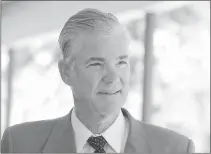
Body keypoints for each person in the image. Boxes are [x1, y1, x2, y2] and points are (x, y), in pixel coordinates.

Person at [1, 8, 195, 153]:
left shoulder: (176, 148)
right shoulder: (19, 144)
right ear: (66, 72)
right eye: (96, 64)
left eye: (121, 62)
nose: (112, 78)